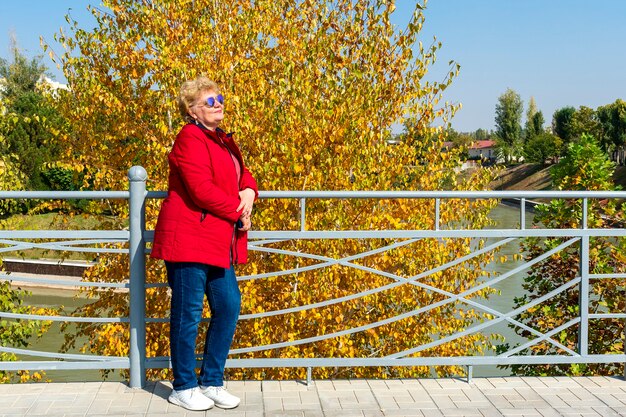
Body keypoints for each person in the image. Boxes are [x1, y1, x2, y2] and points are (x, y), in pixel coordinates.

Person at [151, 76, 257, 411]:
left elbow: (244, 174)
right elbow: (200, 188)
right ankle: (182, 386)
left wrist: (250, 191)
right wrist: (238, 212)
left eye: (220, 98)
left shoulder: (222, 140)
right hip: (189, 238)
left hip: (216, 239)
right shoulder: (189, 138)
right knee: (188, 313)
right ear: (193, 109)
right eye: (210, 101)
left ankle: (211, 381)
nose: (219, 104)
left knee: (228, 306)